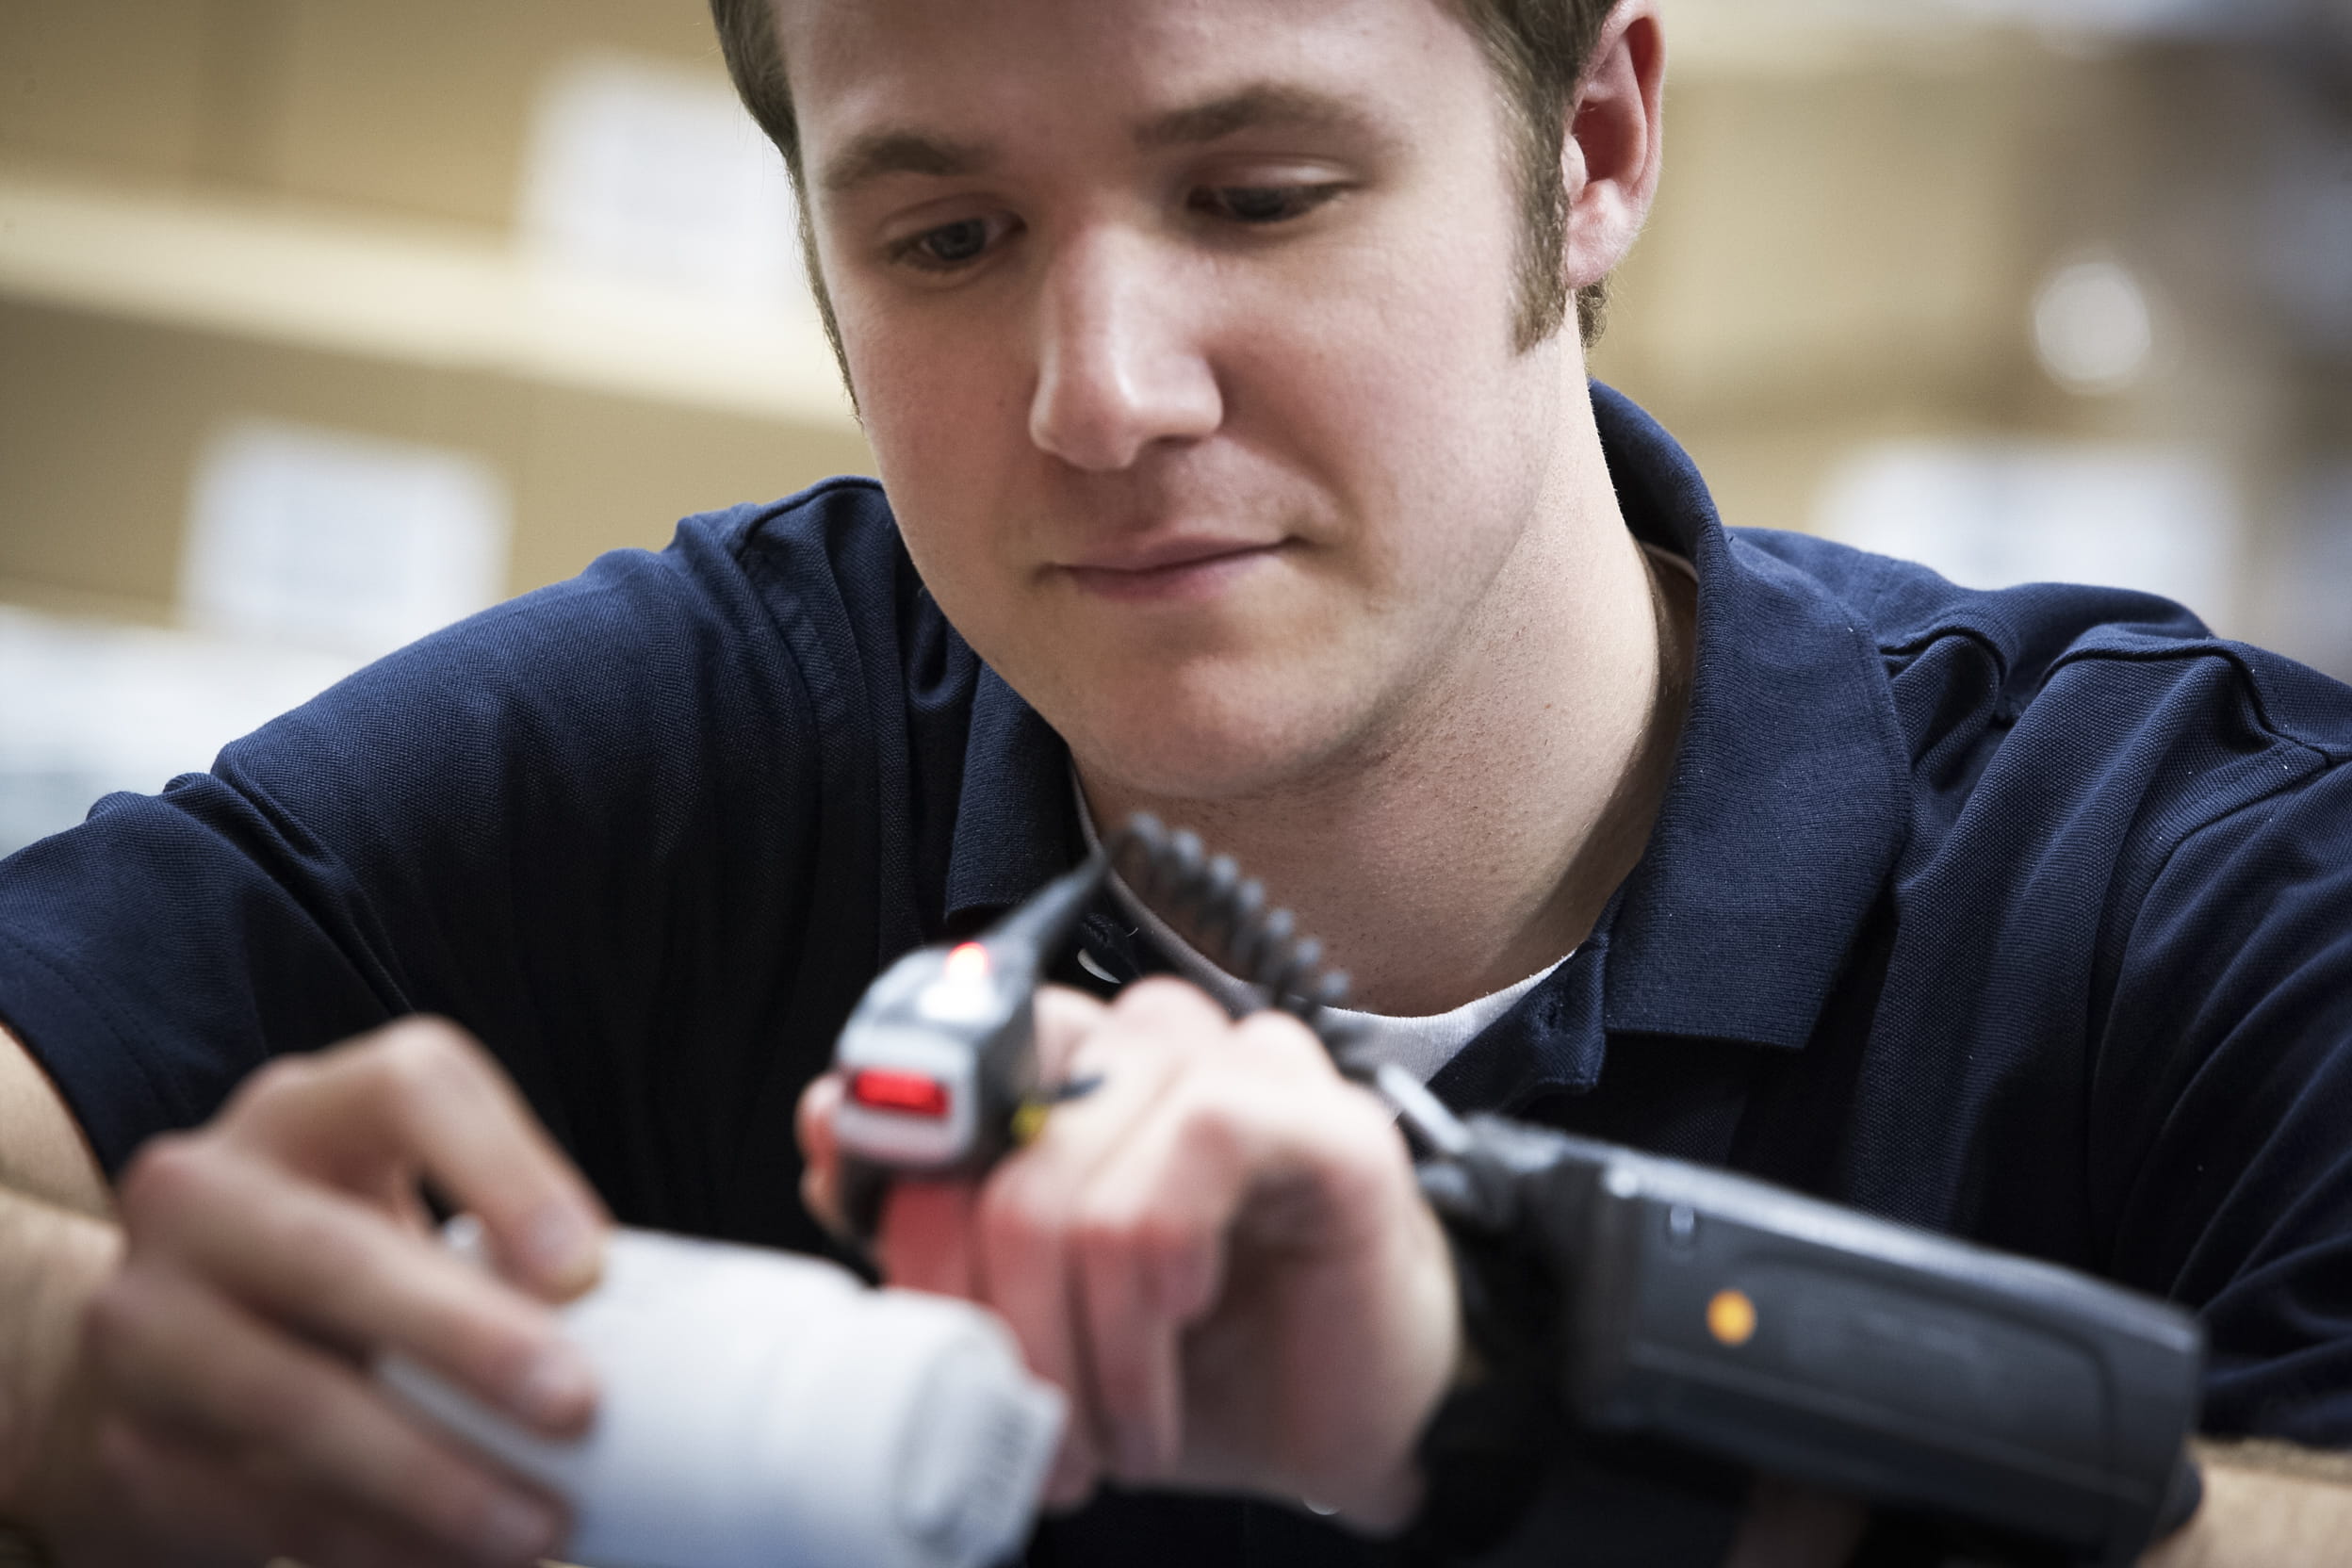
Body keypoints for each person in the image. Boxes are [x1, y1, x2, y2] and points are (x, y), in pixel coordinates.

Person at [1, 0, 2350, 1563]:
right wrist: (94, 1393)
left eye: (1257, 195)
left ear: (1597, 146)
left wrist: (1516, 1361)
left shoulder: (2198, 879)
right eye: (946, 236)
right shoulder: (694, 739)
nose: (1101, 395)